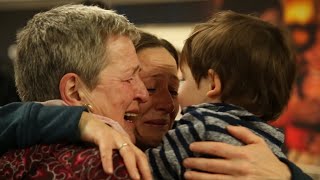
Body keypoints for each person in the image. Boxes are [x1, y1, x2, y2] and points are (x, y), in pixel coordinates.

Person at [0, 5, 310, 179]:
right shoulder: (114, 164)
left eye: (176, 88)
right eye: (141, 82)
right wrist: (78, 120)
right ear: (74, 89)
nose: (150, 98)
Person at [145, 10, 304, 180]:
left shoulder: (202, 125)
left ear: (213, 84)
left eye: (184, 79)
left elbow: (148, 168)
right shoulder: (270, 138)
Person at [2, 4, 151, 180]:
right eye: (128, 79)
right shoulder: (109, 164)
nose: (144, 94)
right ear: (74, 92)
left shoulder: (9, 158)